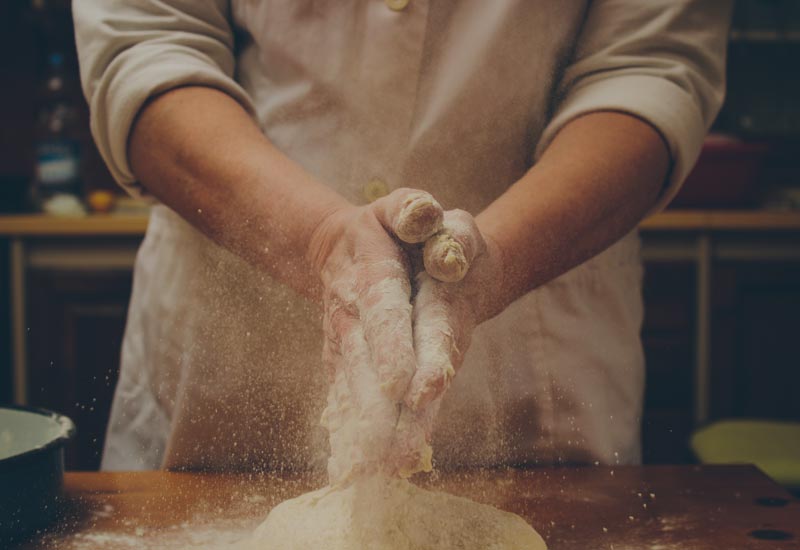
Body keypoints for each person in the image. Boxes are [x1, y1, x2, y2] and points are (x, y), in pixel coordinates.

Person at [73, 1, 731, 472]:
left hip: (538, 365)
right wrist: (316, 238)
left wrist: (500, 257)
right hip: (228, 370)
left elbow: (650, 68)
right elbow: (146, 48)